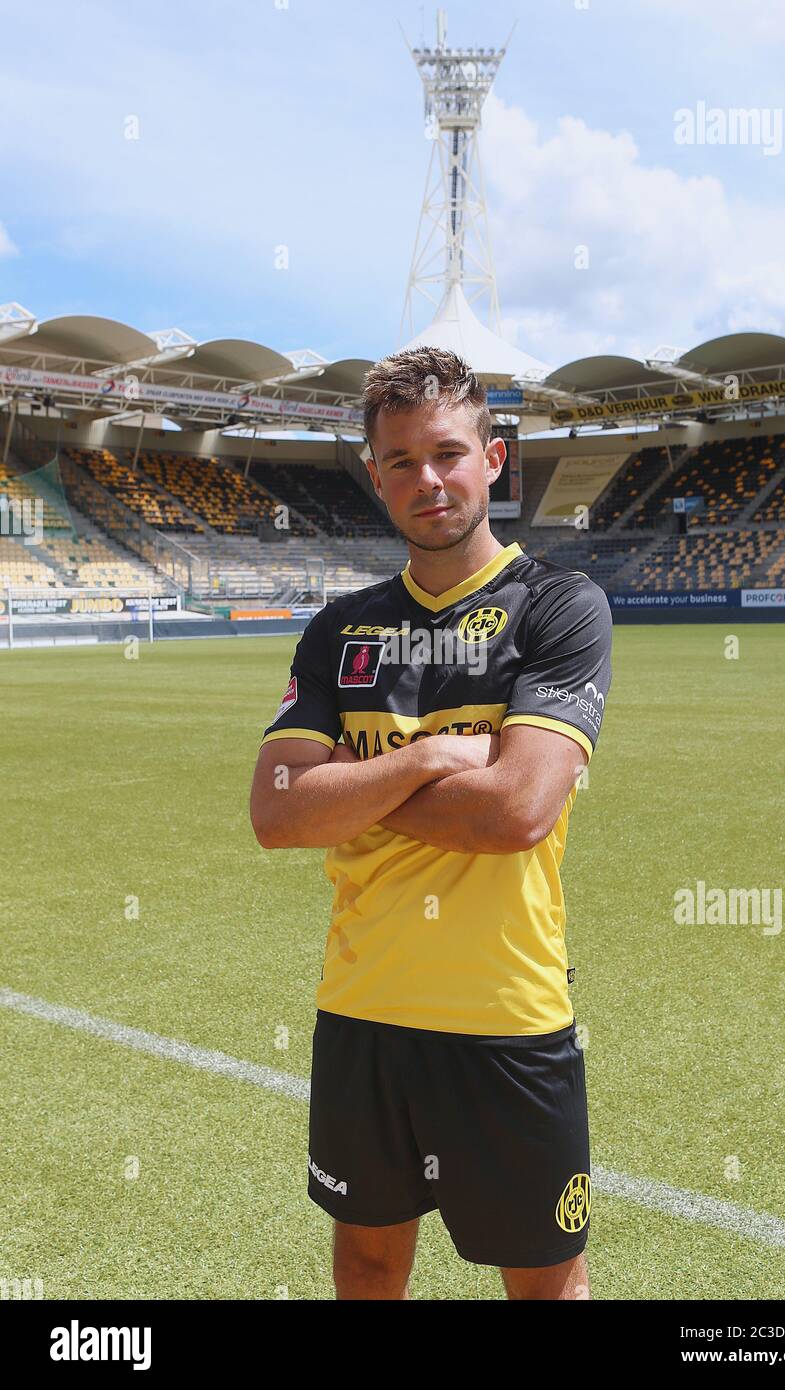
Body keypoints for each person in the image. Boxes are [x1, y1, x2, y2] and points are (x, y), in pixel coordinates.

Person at [249, 346, 612, 1300]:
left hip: (507, 1018)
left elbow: (518, 811)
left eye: (448, 453)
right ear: (375, 475)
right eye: (402, 461)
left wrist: (354, 790)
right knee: (367, 1261)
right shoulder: (340, 629)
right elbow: (278, 815)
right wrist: (427, 758)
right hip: (363, 1012)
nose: (429, 479)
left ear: (494, 459)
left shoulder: (560, 608)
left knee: (544, 1278)